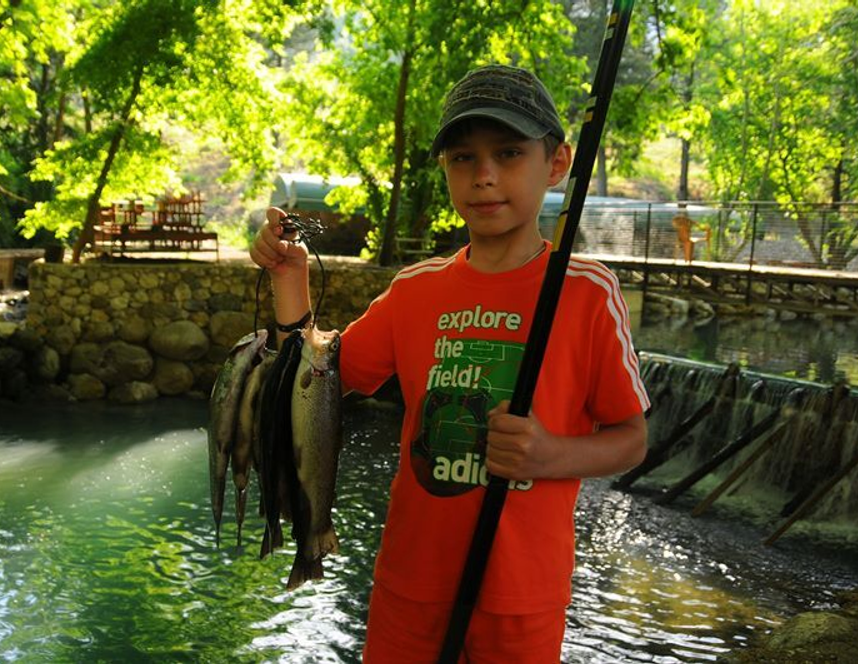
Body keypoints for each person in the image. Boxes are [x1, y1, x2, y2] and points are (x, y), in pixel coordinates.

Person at [250, 64, 649, 663]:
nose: (484, 176)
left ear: (558, 163)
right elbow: (316, 379)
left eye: (509, 152)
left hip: (522, 595)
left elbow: (632, 439)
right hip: (410, 583)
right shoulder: (416, 289)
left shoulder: (587, 291)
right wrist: (290, 277)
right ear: (445, 170)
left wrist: (550, 455)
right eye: (462, 157)